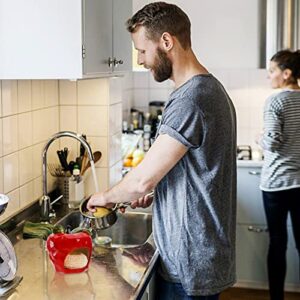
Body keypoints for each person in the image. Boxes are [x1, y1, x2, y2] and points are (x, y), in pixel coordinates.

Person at [87, 2, 237, 299]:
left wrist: (102, 197)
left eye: (142, 50)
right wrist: (161, 192)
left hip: (190, 261)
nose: (141, 60)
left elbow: (142, 179)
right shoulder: (206, 90)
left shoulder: (192, 99)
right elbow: (200, 173)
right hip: (195, 256)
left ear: (166, 41)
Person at [258, 49, 300, 300]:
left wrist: (258, 138)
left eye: (272, 71)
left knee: (277, 242)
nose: (269, 76)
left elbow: (272, 142)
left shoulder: (276, 101)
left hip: (276, 184)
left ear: (286, 74)